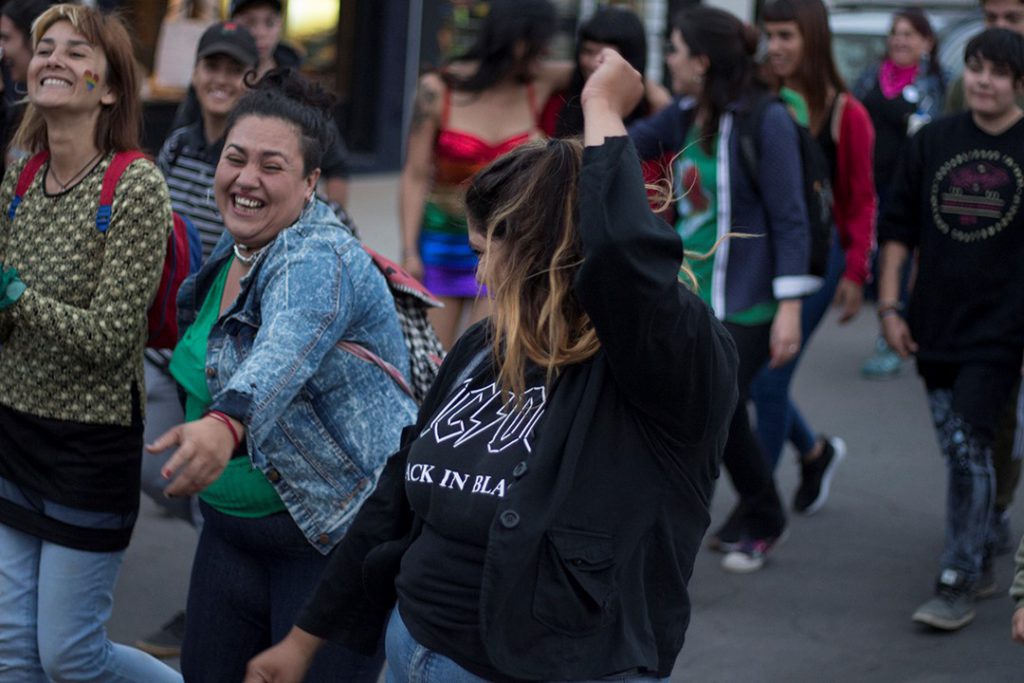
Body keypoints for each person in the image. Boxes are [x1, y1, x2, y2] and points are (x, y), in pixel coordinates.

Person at [242, 48, 737, 683]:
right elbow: (393, 501)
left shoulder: (663, 365)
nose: (478, 273)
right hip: (411, 649)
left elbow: (627, 260)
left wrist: (600, 109)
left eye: (490, 250)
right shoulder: (485, 348)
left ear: (550, 252)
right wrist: (304, 641)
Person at [148, 68, 417, 682]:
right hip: (227, 536)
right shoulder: (235, 244)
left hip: (328, 550)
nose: (246, 179)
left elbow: (285, 346)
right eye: (236, 159)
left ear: (311, 184)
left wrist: (225, 421)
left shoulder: (319, 255)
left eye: (272, 166)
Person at [0, 4, 181, 681]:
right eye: (46, 47)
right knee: (11, 651)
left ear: (108, 87)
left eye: (77, 52)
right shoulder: (19, 176)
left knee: (72, 655)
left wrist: (14, 296)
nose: (53, 58)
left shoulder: (134, 184)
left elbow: (112, 339)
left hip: (88, 446)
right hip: (14, 430)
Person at [630, 5, 814, 572]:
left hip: (751, 300)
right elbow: (623, 144)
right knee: (719, 410)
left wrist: (789, 309)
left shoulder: (769, 119)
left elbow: (790, 216)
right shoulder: (688, 112)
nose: (668, 59)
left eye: (676, 50)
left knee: (713, 407)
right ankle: (756, 512)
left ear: (702, 60)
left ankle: (743, 519)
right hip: (694, 292)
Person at [879, 27, 1024, 631]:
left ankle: (959, 575)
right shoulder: (934, 140)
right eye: (974, 67)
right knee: (959, 448)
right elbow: (898, 226)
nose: (982, 80)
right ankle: (989, 530)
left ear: (1018, 81)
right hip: (934, 324)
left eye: (996, 70)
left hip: (1003, 330)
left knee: (968, 445)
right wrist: (888, 308)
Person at [134, 19, 260, 660]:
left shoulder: (249, 158)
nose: (218, 78)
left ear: (251, 80)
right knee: (161, 470)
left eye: (232, 68)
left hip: (223, 349)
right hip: (167, 343)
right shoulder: (178, 145)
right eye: (210, 64)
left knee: (209, 483)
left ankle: (212, 605)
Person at [750, 0, 876, 514]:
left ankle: (757, 511)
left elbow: (861, 198)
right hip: (761, 259)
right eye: (769, 35)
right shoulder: (758, 96)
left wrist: (854, 271)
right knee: (756, 380)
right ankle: (814, 452)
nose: (775, 47)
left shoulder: (848, 113)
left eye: (787, 36)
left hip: (818, 263)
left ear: (813, 38)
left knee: (769, 379)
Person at [399, 0, 572, 350]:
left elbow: (601, 66)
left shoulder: (536, 84)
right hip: (441, 245)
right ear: (513, 40)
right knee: (432, 362)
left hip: (508, 250)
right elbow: (415, 176)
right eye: (537, 43)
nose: (544, 53)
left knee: (485, 363)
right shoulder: (438, 90)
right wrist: (408, 252)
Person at [943, 0, 1024, 563]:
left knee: (1003, 427)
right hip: (972, 295)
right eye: (992, 17)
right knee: (976, 427)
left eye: (1013, 18)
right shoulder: (964, 90)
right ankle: (981, 522)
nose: (1000, 28)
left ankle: (982, 527)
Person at [170, 0, 351, 209]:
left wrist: (330, 223)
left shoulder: (299, 91)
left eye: (269, 23)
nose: (260, 32)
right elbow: (177, 143)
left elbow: (336, 165)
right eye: (250, 22)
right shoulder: (197, 112)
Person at [850, 8, 945, 380]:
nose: (900, 40)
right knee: (873, 261)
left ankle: (891, 339)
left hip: (910, 188)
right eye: (895, 33)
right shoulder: (871, 75)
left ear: (927, 42)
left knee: (899, 261)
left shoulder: (937, 82)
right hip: (869, 184)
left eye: (909, 34)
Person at [543, 5, 671, 137]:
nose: (594, 63)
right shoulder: (556, 102)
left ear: (630, 59)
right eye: (588, 51)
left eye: (607, 55)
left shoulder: (654, 113)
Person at [0, 0, 58, 169]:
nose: (0, 50)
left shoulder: (63, 109)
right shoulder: (21, 110)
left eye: (5, 38)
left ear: (34, 41)